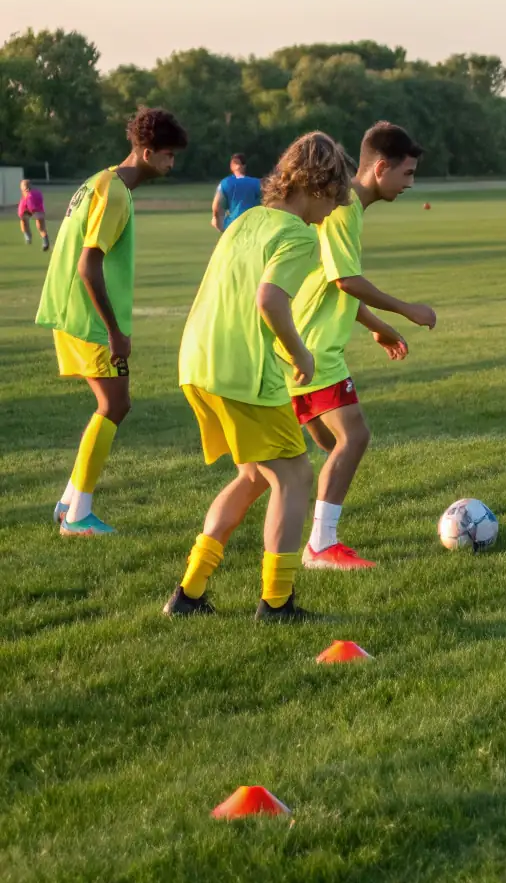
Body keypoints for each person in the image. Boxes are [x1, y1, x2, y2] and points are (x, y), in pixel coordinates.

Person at [165, 131, 349, 622]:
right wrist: (300, 352)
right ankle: (277, 602)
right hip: (242, 369)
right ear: (315, 185)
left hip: (197, 362)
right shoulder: (298, 235)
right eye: (332, 198)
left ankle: (189, 592)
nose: (332, 211)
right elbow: (269, 299)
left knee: (252, 475)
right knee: (294, 475)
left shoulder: (243, 222)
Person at [284, 121, 438, 570]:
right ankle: (320, 545)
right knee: (354, 437)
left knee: (330, 449)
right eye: (407, 175)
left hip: (299, 344)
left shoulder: (341, 208)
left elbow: (333, 284)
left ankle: (312, 538)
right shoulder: (344, 209)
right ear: (381, 168)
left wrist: (374, 326)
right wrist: (405, 310)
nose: (410, 184)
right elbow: (345, 279)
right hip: (314, 348)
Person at [35, 107, 189, 535]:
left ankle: (69, 502)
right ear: (144, 151)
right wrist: (115, 332)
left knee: (114, 404)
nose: (171, 164)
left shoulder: (98, 181)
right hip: (89, 318)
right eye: (167, 155)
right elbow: (89, 265)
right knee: (115, 405)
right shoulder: (116, 193)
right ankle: (78, 516)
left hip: (70, 312)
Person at [212, 153, 262, 232]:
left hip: (233, 226)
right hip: (254, 226)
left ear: (231, 166)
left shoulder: (225, 183)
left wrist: (221, 225)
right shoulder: (257, 183)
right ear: (244, 166)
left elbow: (216, 208)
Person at [18, 179, 49, 251]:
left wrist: (31, 211)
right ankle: (44, 241)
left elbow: (30, 206)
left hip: (34, 209)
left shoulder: (29, 195)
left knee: (39, 225)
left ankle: (28, 236)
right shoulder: (34, 193)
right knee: (25, 221)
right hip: (34, 209)